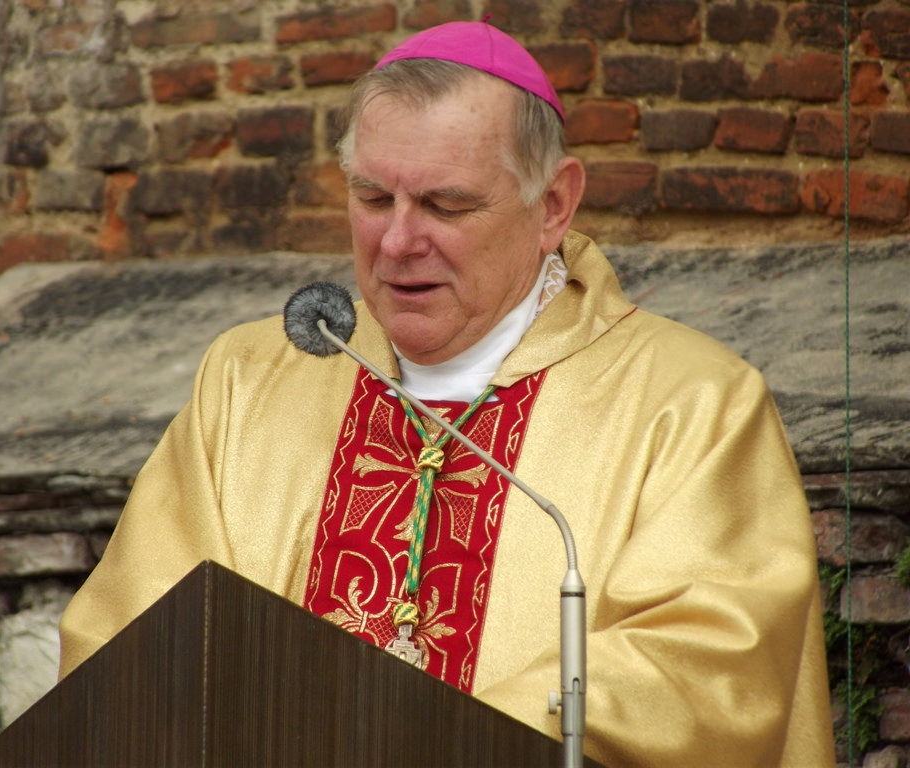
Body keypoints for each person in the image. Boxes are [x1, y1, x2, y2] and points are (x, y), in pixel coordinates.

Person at [58, 21, 835, 767]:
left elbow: (702, 678)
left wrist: (430, 741)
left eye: (445, 204)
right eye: (373, 199)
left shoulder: (691, 404)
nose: (398, 242)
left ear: (553, 206)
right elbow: (133, 645)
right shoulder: (252, 379)